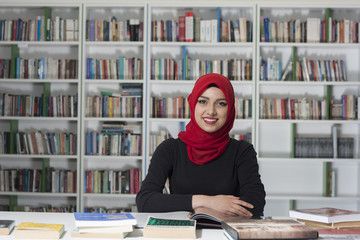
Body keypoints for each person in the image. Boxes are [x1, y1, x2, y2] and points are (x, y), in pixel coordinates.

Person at [136, 73, 265, 218]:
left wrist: (195, 208)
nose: (211, 111)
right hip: (183, 233)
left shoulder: (242, 151)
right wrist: (208, 202)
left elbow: (255, 204)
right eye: (203, 101)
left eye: (221, 103)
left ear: (230, 110)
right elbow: (145, 201)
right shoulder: (170, 149)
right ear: (192, 104)